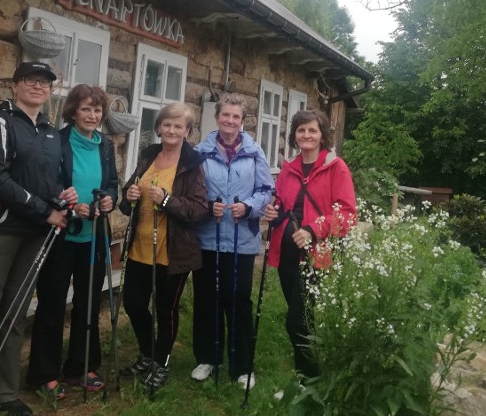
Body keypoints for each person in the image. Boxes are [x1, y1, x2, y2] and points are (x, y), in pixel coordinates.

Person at [0, 62, 77, 416]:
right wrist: (44, 210)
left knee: (14, 314)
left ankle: (1, 394)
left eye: (45, 82)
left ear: (51, 91)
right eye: (31, 80)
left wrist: (60, 197)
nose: (38, 86)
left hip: (33, 234)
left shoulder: (51, 133)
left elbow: (45, 179)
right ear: (16, 85)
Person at [26, 84, 118, 399]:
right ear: (73, 111)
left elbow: (112, 185)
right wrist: (66, 202)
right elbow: (44, 182)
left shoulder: (105, 145)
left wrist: (108, 200)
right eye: (86, 109)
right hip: (62, 233)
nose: (92, 115)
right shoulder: (56, 140)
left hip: (94, 236)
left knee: (88, 302)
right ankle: (44, 373)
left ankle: (82, 366)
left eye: (97, 110)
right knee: (52, 303)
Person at [118, 102, 208, 391]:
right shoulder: (148, 155)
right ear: (158, 127)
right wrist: (129, 194)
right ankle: (148, 353)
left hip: (173, 251)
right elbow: (126, 202)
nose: (171, 130)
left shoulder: (193, 163)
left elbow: (198, 209)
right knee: (133, 303)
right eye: (167, 124)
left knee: (165, 309)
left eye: (178, 126)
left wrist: (167, 200)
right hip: (139, 248)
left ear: (187, 131)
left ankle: (162, 361)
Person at [263, 109, 356, 385]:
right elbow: (282, 204)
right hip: (288, 251)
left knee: (296, 321)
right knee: (303, 318)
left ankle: (309, 379)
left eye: (312, 130)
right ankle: (312, 372)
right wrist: (273, 212)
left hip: (316, 253)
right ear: (294, 135)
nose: (306, 135)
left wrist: (313, 230)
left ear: (322, 135)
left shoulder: (336, 168)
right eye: (301, 130)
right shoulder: (288, 169)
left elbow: (348, 215)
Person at [190, 94, 273, 389]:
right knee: (206, 298)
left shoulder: (254, 152)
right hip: (208, 237)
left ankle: (242, 365)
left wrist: (249, 206)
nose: (230, 121)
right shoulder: (201, 151)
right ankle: (208, 357)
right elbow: (193, 191)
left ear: (242, 121)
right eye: (225, 115)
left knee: (238, 300)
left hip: (242, 240)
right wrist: (208, 203)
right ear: (217, 117)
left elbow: (266, 189)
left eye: (236, 117)